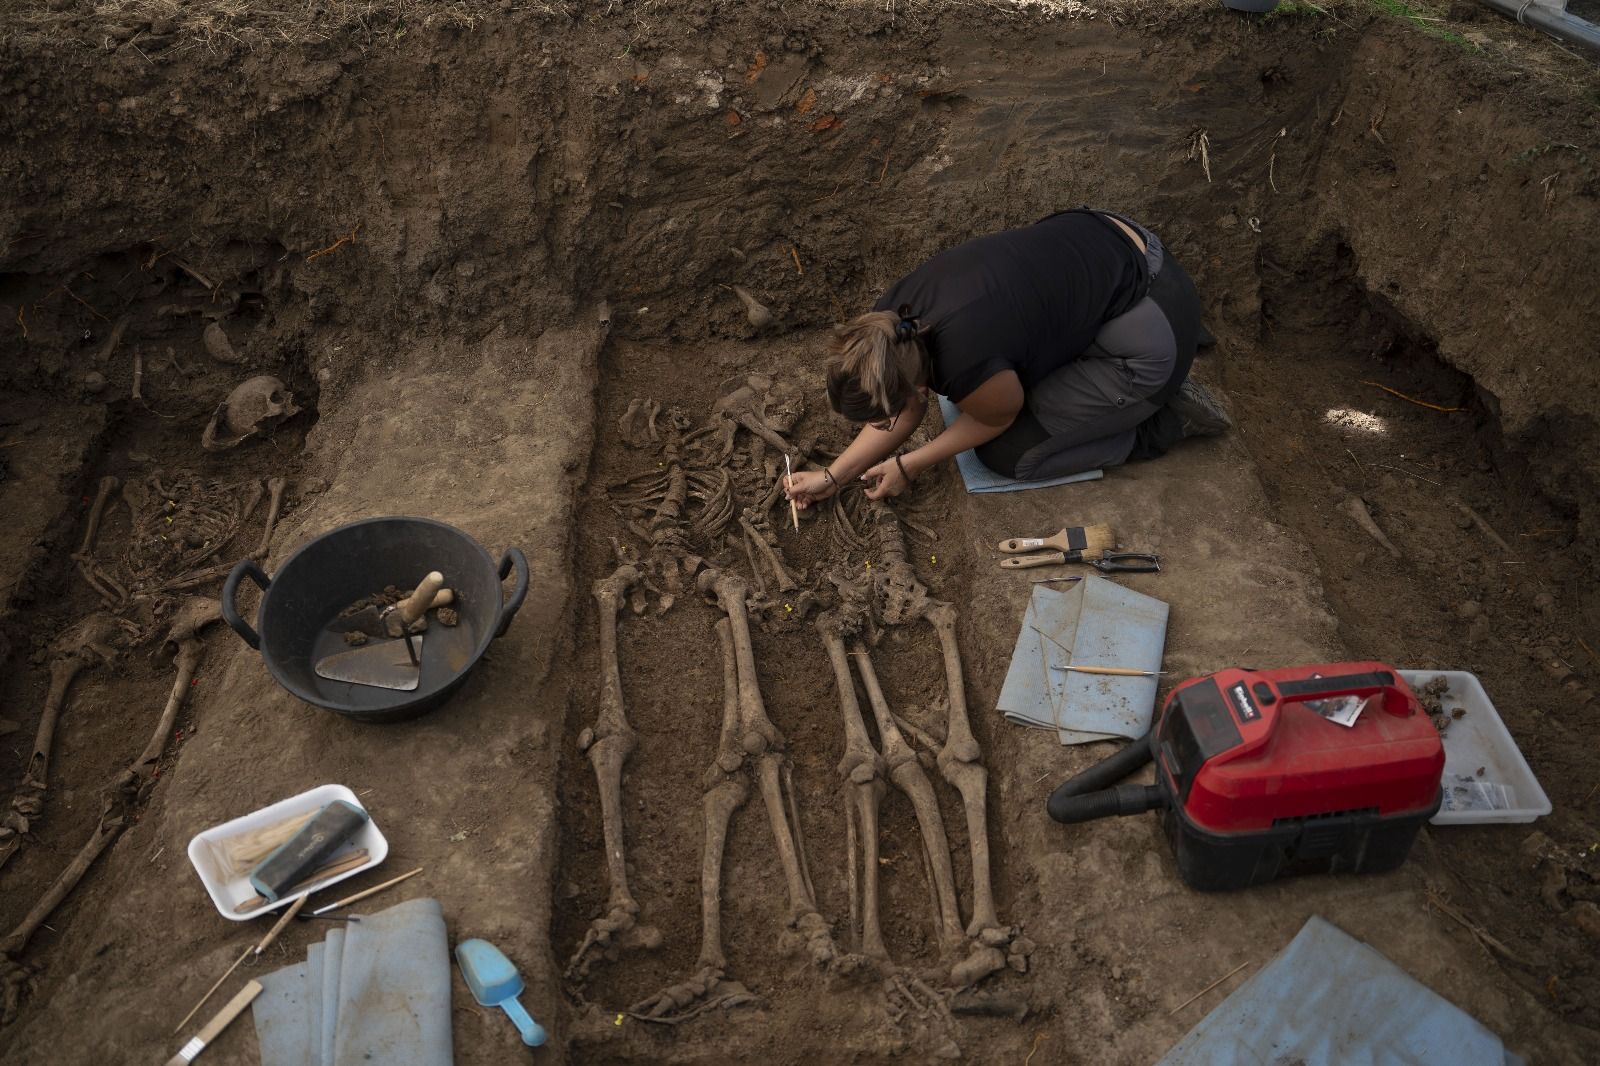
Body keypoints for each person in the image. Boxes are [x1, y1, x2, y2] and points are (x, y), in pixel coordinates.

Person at [782, 208, 1230, 508]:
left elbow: (992, 419)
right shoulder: (889, 322)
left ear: (919, 390)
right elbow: (910, 406)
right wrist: (833, 475)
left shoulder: (969, 365)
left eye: (882, 419)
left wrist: (907, 464)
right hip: (1116, 237)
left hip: (1154, 324)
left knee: (1007, 452)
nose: (884, 426)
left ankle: (1165, 419)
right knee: (1007, 381)